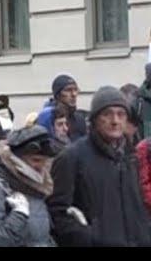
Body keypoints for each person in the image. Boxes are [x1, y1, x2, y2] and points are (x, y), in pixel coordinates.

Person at [47, 86, 151, 246]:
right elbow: (57, 213)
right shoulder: (72, 157)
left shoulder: (131, 156)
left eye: (120, 114)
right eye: (107, 114)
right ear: (95, 119)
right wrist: (88, 238)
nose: (115, 121)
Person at [0, 126, 60, 247]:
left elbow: (41, 237)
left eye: (44, 161)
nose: (41, 167)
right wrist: (19, 214)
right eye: (35, 160)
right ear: (16, 158)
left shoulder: (34, 187)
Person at [46, 74, 88, 141]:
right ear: (58, 95)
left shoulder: (80, 119)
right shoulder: (48, 119)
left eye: (75, 89)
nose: (73, 94)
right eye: (68, 90)